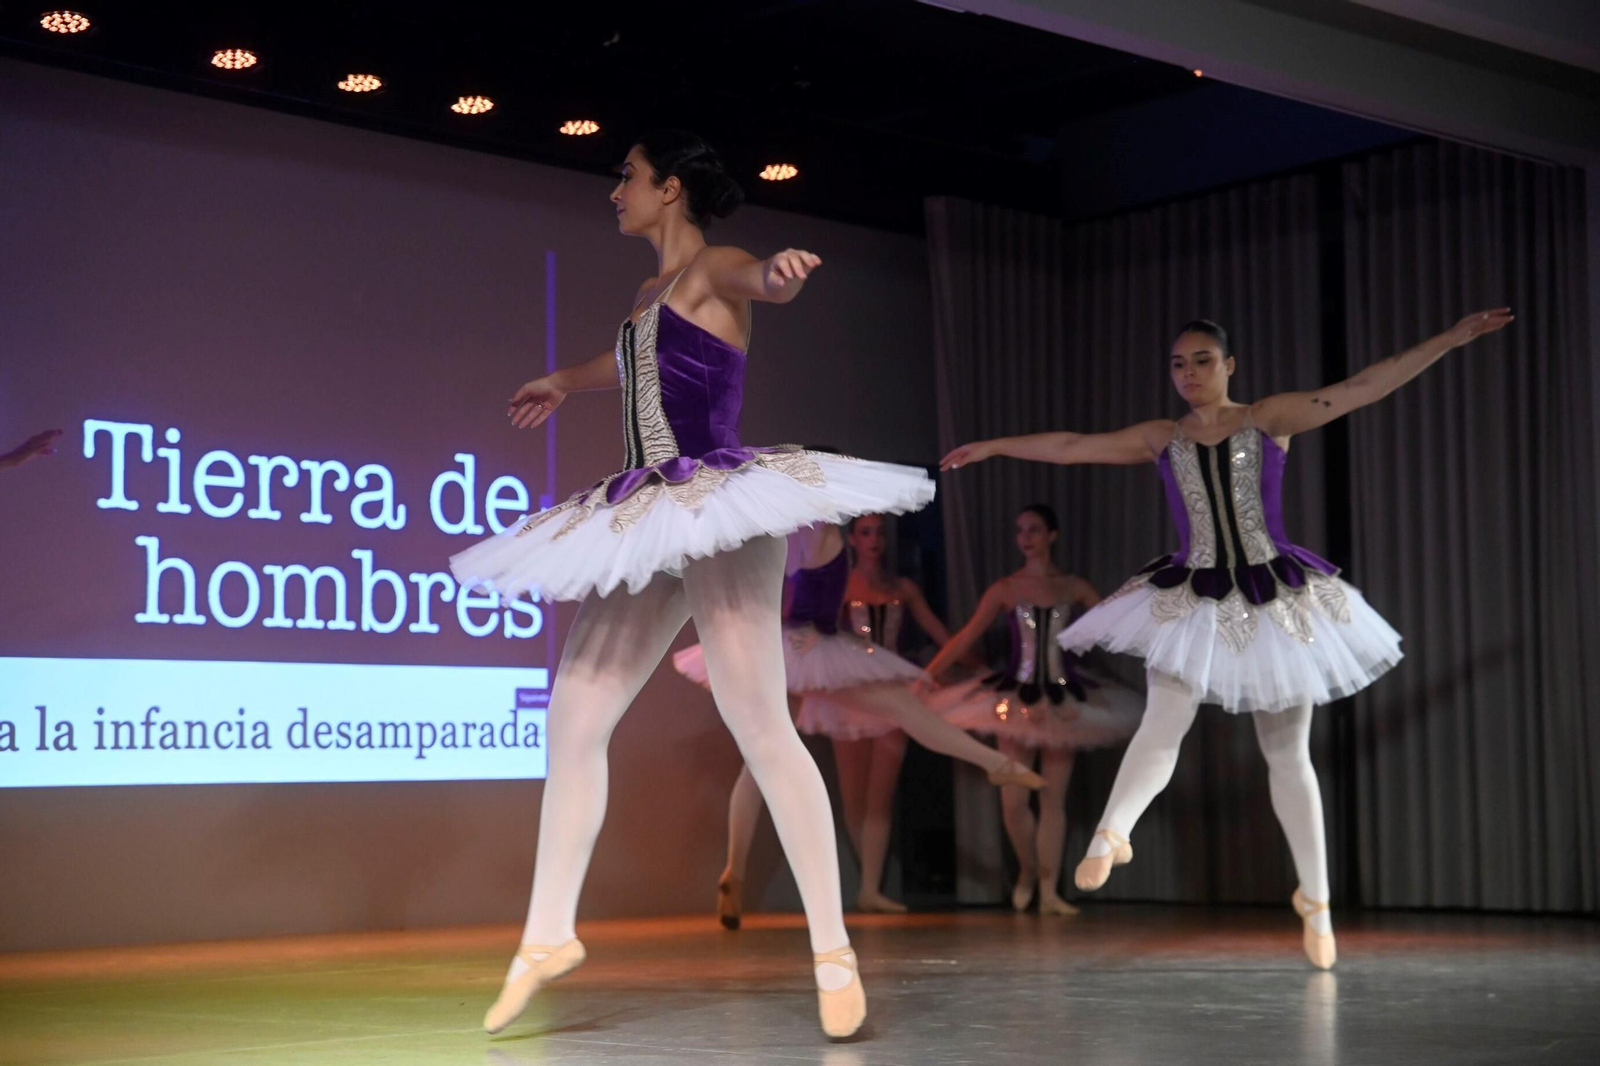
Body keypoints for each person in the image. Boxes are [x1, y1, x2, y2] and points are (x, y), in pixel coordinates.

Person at [451, 130, 936, 1038]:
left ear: (669, 189)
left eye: (625, 178)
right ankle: (549, 933)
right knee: (574, 712)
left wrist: (780, 275)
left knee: (759, 722)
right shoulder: (646, 294)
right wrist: (564, 380)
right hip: (645, 507)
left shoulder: (715, 263)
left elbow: (761, 281)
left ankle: (833, 949)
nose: (614, 193)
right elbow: (632, 364)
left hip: (714, 499)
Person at [940, 309, 1512, 968]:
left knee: (1287, 753)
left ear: (1229, 365)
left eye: (1203, 360)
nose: (1189, 374)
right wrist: (994, 446)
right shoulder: (1162, 437)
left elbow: (1363, 387)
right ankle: (1110, 834)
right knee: (1163, 721)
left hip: (1274, 593)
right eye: (1179, 363)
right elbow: (1072, 444)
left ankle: (1317, 903)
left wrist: (1448, 338)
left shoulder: (1269, 418)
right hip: (1192, 595)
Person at [678, 520, 1044, 928]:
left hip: (793, 647)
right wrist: (806, 625)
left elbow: (783, 588)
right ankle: (996, 764)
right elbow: (798, 593)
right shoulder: (823, 533)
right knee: (907, 710)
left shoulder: (792, 534)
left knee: (759, 761)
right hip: (812, 649)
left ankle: (735, 870)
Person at [921, 504, 1140, 915]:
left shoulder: (1074, 586)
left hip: (1064, 703)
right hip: (1014, 700)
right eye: (1020, 530)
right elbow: (967, 635)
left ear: (1051, 535)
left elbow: (1113, 624)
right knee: (1014, 801)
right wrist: (928, 674)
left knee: (1054, 801)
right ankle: (1026, 870)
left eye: (1034, 530)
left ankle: (1049, 890)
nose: (1025, 538)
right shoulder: (1005, 588)